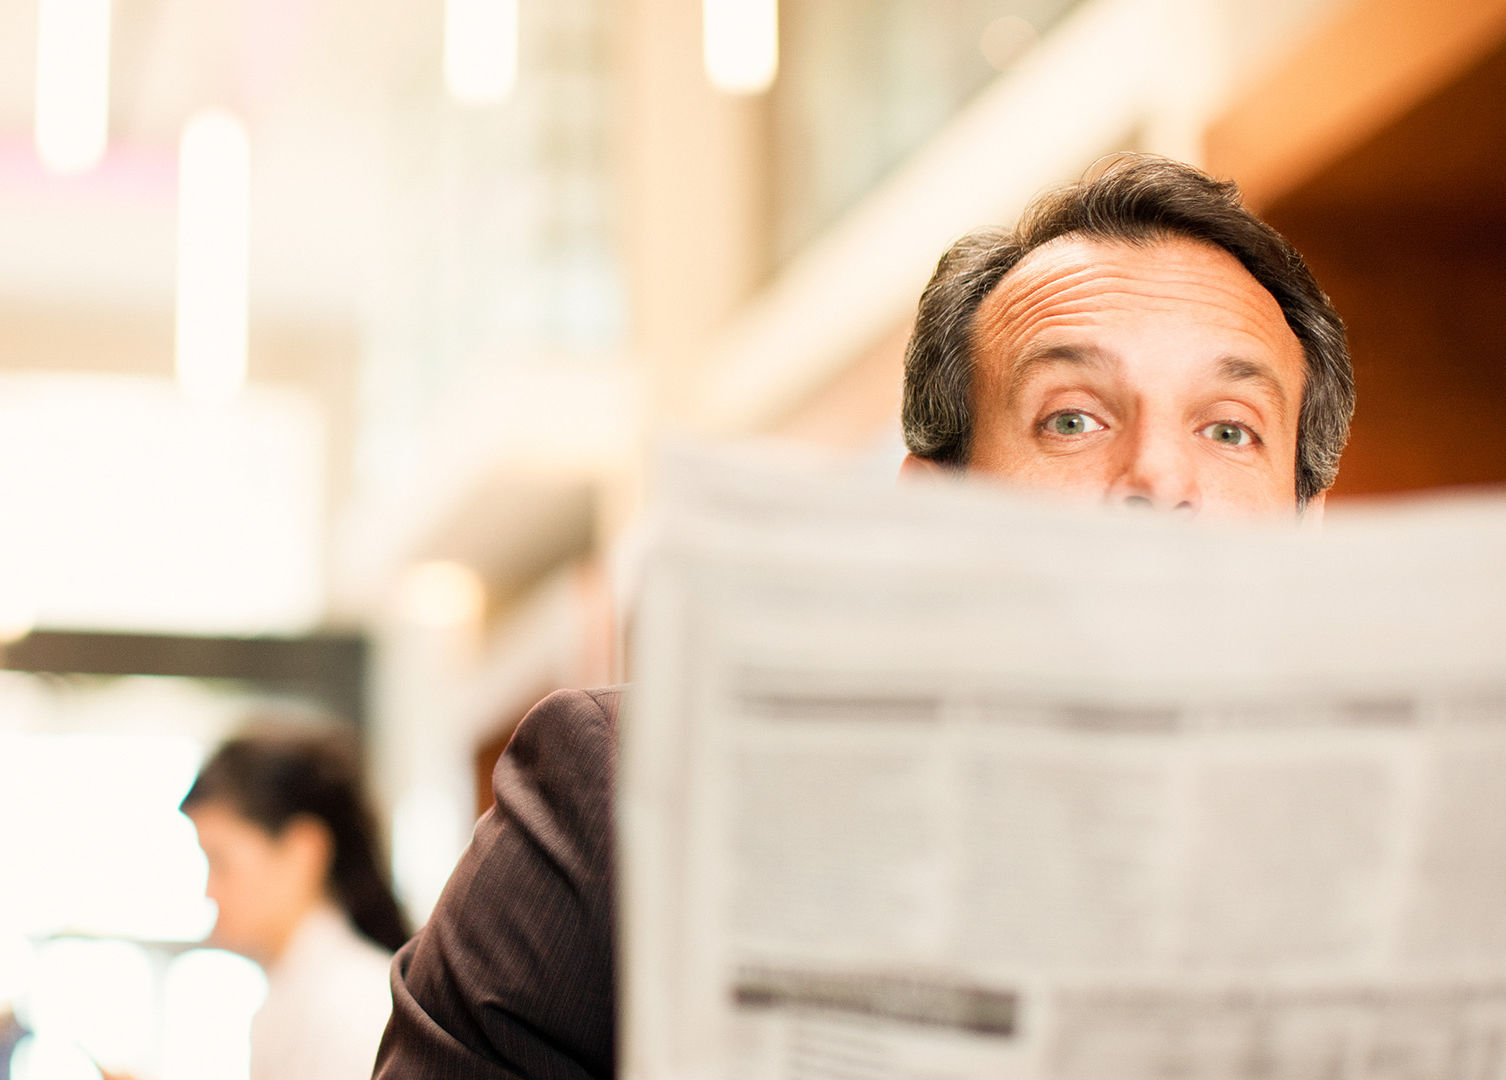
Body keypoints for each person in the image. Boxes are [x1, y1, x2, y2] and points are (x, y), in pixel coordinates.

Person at [372, 155, 1355, 1080]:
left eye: (1230, 430)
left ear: (1305, 528)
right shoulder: (623, 798)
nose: (1158, 478)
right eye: (1073, 418)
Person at [182, 722, 410, 1080]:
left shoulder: (358, 1006)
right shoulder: (289, 997)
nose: (208, 891)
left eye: (221, 862)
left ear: (303, 851)